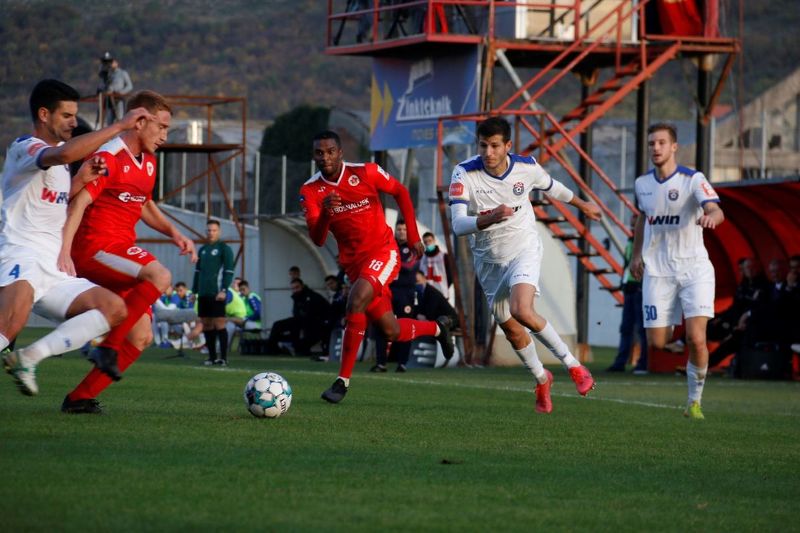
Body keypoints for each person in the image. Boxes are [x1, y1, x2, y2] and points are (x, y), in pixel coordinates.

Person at [1, 79, 152, 396]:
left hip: (52, 268)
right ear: (44, 114)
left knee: (113, 308)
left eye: (74, 115)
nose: (73, 122)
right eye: (67, 115)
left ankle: (29, 357)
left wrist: (82, 179)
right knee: (9, 325)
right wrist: (120, 126)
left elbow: (55, 205)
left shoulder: (61, 166)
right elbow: (65, 154)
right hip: (20, 257)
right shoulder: (25, 147)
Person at [58, 90, 197, 414]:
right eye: (160, 126)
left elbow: (144, 202)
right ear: (139, 122)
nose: (164, 135)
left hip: (122, 250)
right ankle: (105, 348)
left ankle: (78, 399)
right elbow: (77, 200)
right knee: (160, 274)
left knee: (141, 336)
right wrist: (65, 250)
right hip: (96, 248)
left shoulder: (148, 161)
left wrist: (175, 232)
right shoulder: (109, 156)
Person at [448, 116, 599, 415]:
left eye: (494, 146)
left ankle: (574, 367)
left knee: (522, 310)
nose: (488, 153)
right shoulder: (463, 173)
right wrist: (489, 217)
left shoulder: (526, 167)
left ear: (508, 146)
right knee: (513, 330)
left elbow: (552, 187)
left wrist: (582, 205)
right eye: (482, 146)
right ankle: (542, 379)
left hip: (523, 249)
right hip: (489, 262)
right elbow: (457, 225)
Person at [301, 130, 454, 403]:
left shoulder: (366, 172)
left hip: (383, 252)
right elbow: (317, 238)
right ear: (314, 156)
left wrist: (415, 237)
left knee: (355, 302)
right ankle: (438, 329)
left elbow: (401, 192)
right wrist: (325, 211)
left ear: (340, 153)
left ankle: (341, 382)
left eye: (330, 151)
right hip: (354, 265)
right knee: (390, 330)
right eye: (319, 153)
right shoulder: (310, 190)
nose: (324, 157)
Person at [630, 122, 725, 420]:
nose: (655, 148)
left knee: (698, 338)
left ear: (673, 147)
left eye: (661, 143)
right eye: (651, 144)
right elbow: (641, 220)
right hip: (658, 271)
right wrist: (635, 256)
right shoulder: (641, 184)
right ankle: (683, 345)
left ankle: (694, 401)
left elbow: (716, 209)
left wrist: (712, 217)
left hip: (693, 268)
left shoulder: (693, 179)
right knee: (657, 343)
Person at [372, 220, 419, 373]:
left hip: (406, 293)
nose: (401, 232)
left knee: (404, 325)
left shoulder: (413, 248)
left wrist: (392, 261)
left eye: (404, 229)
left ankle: (402, 362)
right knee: (381, 324)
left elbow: (410, 266)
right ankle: (381, 362)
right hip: (388, 290)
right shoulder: (389, 245)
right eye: (399, 229)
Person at [606, 214, 648, 374]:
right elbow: (627, 265)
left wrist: (640, 284)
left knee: (641, 328)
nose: (632, 226)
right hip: (629, 288)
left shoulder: (644, 242)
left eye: (634, 222)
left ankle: (643, 364)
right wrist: (623, 283)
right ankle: (620, 362)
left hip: (639, 288)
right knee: (625, 328)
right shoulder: (631, 241)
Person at [192, 218, 235, 366]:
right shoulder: (202, 249)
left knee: (219, 323)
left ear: (219, 231)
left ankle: (223, 357)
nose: (211, 233)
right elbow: (197, 272)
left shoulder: (224, 249)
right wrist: (194, 291)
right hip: (203, 293)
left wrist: (224, 290)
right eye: (209, 230)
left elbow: (229, 271)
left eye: (214, 230)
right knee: (206, 324)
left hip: (217, 293)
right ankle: (211, 357)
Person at [98, 52, 133, 124]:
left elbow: (129, 86)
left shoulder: (123, 73)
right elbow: (103, 84)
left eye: (111, 62)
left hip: (119, 100)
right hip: (109, 100)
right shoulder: (108, 74)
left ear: (116, 62)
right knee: (109, 121)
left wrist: (121, 93)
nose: (110, 64)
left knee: (120, 119)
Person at [419, 231, 451, 297]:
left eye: (430, 241)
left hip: (442, 292)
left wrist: (445, 286)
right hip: (427, 294)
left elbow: (450, 274)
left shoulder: (444, 256)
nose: (428, 243)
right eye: (425, 242)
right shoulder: (422, 258)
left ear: (434, 240)